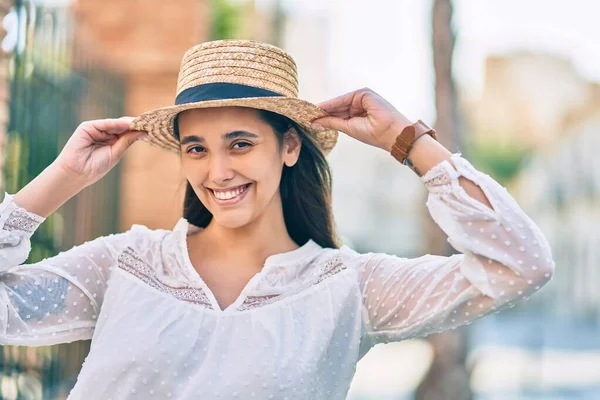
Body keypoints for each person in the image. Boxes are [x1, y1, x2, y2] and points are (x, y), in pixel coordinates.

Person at [0, 40, 554, 399]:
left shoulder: (347, 288)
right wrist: (62, 179)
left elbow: (519, 265)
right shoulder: (128, 263)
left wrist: (407, 141)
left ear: (289, 147)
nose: (218, 170)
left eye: (239, 143)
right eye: (196, 149)